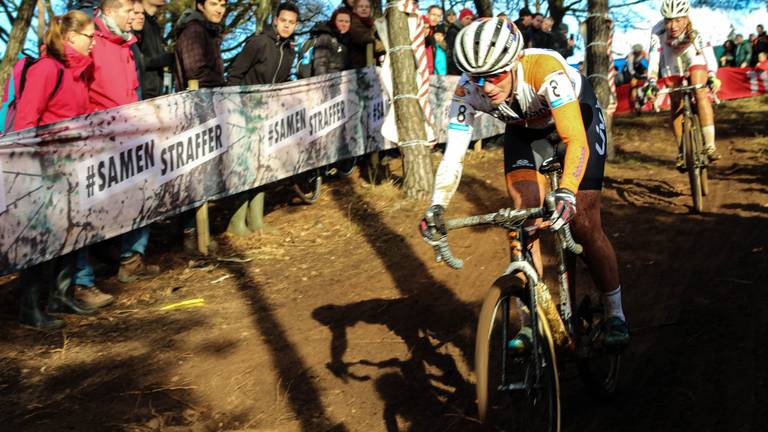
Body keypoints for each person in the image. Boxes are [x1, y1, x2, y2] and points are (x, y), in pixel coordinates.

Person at [420, 18, 629, 348]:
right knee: (524, 221)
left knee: (585, 221)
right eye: (477, 77)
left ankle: (615, 313)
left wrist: (567, 192)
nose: (486, 87)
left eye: (496, 75)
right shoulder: (466, 90)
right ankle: (531, 321)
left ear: (515, 61)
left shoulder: (543, 68)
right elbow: (453, 155)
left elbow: (574, 139)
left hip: (577, 119)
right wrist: (436, 206)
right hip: (525, 131)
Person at [14, 10, 97, 329]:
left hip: (71, 166)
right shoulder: (47, 68)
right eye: (90, 37)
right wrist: (33, 169)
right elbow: (25, 122)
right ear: (72, 38)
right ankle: (30, 308)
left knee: (68, 232)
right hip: (44, 168)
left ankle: (59, 297)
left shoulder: (77, 71)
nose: (93, 43)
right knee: (41, 238)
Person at [644, 0, 721, 169]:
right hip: (671, 58)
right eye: (668, 20)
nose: (672, 25)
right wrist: (651, 82)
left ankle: (709, 145)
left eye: (678, 20)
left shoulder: (697, 26)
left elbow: (707, 53)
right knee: (676, 102)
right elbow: (654, 58)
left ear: (686, 18)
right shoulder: (657, 31)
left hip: (693, 54)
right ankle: (681, 150)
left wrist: (712, 75)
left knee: (700, 93)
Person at [228, 2, 298, 85]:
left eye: (291, 22)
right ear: (276, 21)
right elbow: (234, 74)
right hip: (245, 96)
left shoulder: (290, 52)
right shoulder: (259, 42)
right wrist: (236, 97)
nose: (287, 25)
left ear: (296, 25)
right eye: (283, 20)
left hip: (273, 98)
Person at [174, 0, 226, 91]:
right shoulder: (194, 30)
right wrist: (223, 86)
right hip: (198, 99)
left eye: (222, 5)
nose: (219, 10)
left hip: (210, 98)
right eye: (213, 4)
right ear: (201, 6)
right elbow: (195, 72)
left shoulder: (209, 31)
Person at [300, 7, 351, 78]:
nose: (344, 24)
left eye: (346, 21)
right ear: (334, 22)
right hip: (327, 84)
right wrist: (322, 84)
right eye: (341, 21)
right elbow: (320, 64)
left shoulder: (345, 42)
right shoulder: (326, 37)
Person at [138, 0, 174, 99]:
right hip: (141, 95)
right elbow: (132, 59)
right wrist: (165, 59)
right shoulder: (137, 21)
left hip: (156, 93)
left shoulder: (154, 25)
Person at [348, 0, 383, 68]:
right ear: (355, 9)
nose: (364, 9)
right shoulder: (353, 23)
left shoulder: (370, 25)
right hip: (358, 66)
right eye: (360, 6)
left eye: (367, 7)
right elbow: (364, 39)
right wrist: (382, 46)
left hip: (371, 65)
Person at [445, 8, 474, 75]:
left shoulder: (467, 32)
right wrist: (453, 71)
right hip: (455, 70)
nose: (469, 21)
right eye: (467, 18)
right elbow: (449, 52)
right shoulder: (453, 31)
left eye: (471, 19)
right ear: (461, 19)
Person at [623, 44, 648, 112]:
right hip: (629, 70)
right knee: (633, 84)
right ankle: (635, 104)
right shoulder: (630, 56)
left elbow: (648, 61)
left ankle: (643, 97)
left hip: (638, 67)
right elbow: (631, 70)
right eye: (637, 51)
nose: (639, 52)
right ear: (634, 51)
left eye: (640, 51)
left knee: (646, 74)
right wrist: (637, 76)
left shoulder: (643, 52)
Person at [424, 5, 443, 75]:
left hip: (430, 73)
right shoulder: (422, 27)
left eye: (439, 16)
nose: (436, 18)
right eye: (433, 15)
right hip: (421, 72)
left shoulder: (434, 31)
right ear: (427, 14)